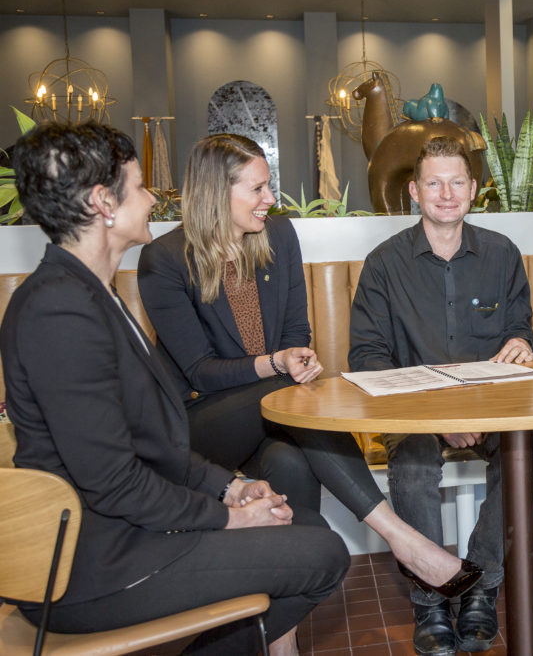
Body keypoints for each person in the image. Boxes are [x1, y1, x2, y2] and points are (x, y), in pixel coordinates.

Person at [0, 121, 348, 655]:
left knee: (302, 524)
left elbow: (155, 446)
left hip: (126, 535)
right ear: (103, 203)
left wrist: (231, 489)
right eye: (140, 187)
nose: (151, 199)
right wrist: (228, 518)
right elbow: (113, 482)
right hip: (90, 565)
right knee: (323, 554)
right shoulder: (58, 309)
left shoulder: (93, 293)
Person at [137, 133, 479, 600]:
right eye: (256, 189)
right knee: (288, 395)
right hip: (199, 424)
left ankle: (284, 638)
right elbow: (199, 371)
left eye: (268, 186)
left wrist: (294, 357)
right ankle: (403, 539)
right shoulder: (165, 260)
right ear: (217, 192)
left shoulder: (278, 235)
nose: (270, 199)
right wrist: (275, 364)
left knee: (290, 465)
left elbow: (296, 329)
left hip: (273, 420)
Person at [348, 135, 533, 655]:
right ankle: (430, 594)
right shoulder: (383, 264)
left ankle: (479, 582)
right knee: (410, 461)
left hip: (489, 408)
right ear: (413, 191)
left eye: (457, 182)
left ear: (474, 189)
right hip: (411, 413)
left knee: (526, 450)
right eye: (434, 183)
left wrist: (520, 342)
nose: (446, 193)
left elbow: (522, 331)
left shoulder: (502, 253)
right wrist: (435, 415)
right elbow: (367, 359)